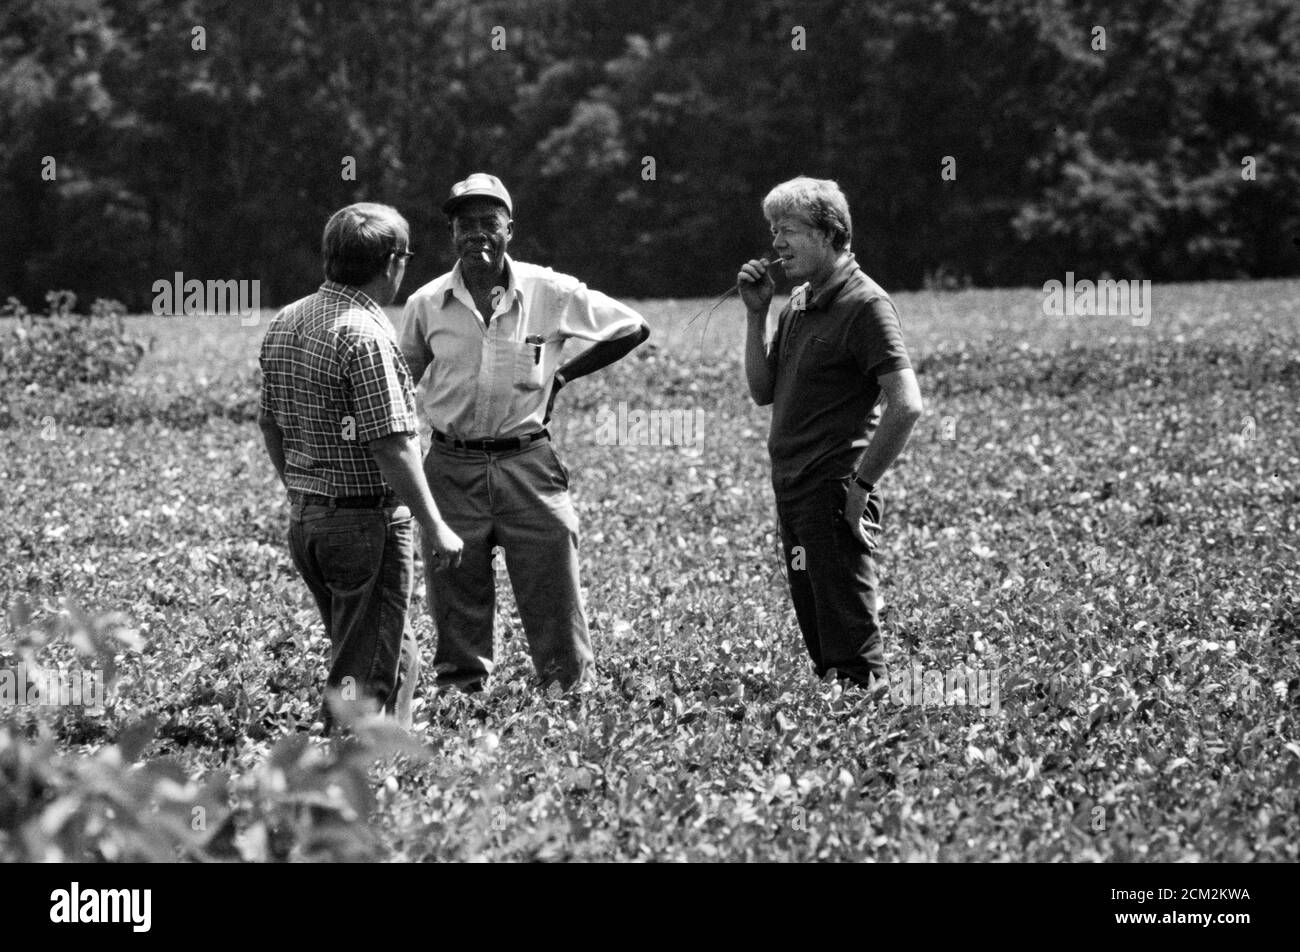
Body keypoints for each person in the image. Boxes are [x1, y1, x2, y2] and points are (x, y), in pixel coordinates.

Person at [400, 173, 649, 693]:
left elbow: (631, 327)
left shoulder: (549, 291)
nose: (477, 235)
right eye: (465, 225)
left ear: (509, 228)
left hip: (528, 462)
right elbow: (404, 378)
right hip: (451, 463)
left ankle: (569, 691)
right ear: (451, 234)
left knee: (553, 582)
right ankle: (461, 694)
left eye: (489, 223)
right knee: (455, 586)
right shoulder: (427, 303)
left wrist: (563, 374)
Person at [258, 202, 464, 733]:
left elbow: (269, 423)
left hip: (309, 523)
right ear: (393, 262)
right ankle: (343, 779)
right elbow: (392, 444)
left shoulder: (288, 319)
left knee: (390, 649)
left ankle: (394, 760)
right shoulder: (366, 335)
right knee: (362, 675)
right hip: (364, 524)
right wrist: (436, 526)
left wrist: (306, 492)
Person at [737, 177, 923, 689]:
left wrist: (859, 490)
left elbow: (906, 406)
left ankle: (878, 756)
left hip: (833, 492)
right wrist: (757, 315)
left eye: (789, 230)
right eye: (773, 230)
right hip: (794, 491)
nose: (776, 243)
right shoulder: (800, 301)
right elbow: (762, 390)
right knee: (826, 651)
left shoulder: (867, 305)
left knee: (854, 657)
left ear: (829, 233)